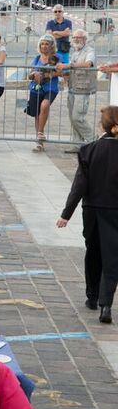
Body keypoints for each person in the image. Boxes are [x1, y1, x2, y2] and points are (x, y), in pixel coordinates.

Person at [58, 106, 118, 324]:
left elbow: (79, 186)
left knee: (93, 251)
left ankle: (92, 296)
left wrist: (66, 214)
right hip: (115, 211)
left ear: (102, 126)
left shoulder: (88, 150)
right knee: (112, 257)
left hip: (91, 209)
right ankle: (106, 304)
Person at [27, 35, 66, 153]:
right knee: (37, 114)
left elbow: (63, 72)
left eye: (47, 44)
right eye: (42, 44)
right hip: (36, 88)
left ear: (51, 45)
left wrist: (48, 75)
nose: (44, 46)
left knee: (44, 106)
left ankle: (40, 134)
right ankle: (39, 140)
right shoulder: (37, 58)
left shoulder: (57, 57)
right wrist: (34, 75)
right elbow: (29, 74)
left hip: (50, 88)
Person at [64, 29, 97, 150]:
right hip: (72, 88)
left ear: (85, 39)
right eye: (74, 37)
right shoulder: (74, 52)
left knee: (78, 118)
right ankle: (77, 144)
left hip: (83, 89)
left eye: (79, 37)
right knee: (72, 118)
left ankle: (94, 140)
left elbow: (88, 64)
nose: (76, 39)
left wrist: (70, 65)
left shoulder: (90, 51)